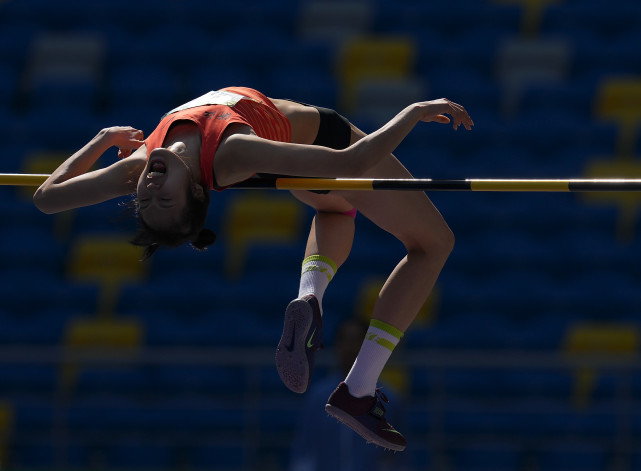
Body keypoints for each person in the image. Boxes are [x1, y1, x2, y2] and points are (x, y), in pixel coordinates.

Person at [33, 86, 473, 451]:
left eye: (147, 201)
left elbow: (48, 197)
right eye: (164, 198)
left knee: (337, 214)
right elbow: (350, 163)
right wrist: (413, 112)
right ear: (194, 191)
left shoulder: (137, 166)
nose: (149, 188)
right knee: (433, 244)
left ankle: (310, 298)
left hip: (299, 160)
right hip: (328, 145)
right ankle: (359, 387)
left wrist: (105, 139)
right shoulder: (233, 153)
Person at [289, 317, 405, 471]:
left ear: (367, 347)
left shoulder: (389, 399)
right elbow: (305, 448)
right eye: (346, 341)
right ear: (337, 346)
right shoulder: (318, 397)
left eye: (356, 341)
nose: (350, 348)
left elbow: (400, 457)